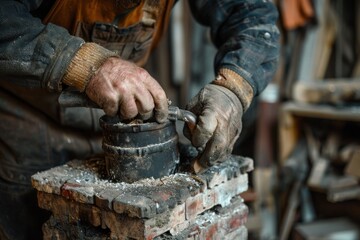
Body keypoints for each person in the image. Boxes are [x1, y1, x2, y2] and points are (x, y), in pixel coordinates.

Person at [0, 0, 279, 239]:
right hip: (29, 116)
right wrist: (84, 63)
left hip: (118, 119)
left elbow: (251, 13)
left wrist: (233, 87)